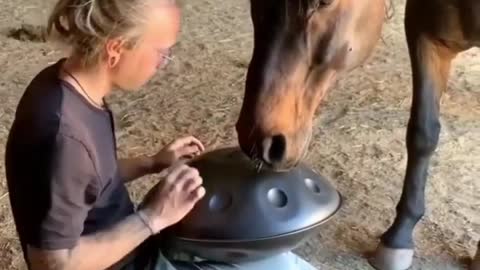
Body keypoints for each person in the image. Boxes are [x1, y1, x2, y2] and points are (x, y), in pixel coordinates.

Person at [4, 0, 318, 269]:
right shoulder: (63, 134)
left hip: (136, 248)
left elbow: (86, 181)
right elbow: (54, 264)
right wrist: (152, 218)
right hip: (132, 262)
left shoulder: (66, 88)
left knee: (279, 258)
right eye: (161, 53)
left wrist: (151, 163)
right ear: (115, 48)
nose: (163, 65)